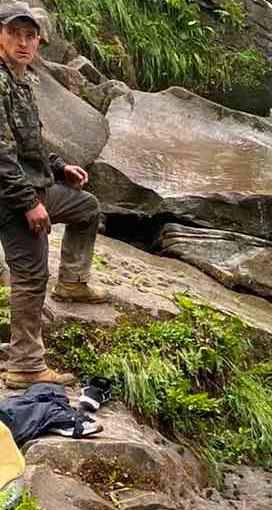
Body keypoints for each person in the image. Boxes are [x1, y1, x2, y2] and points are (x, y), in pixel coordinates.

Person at [0, 2, 109, 389]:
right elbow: (1, 156)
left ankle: (74, 281)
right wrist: (29, 203)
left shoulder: (24, 80)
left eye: (31, 36)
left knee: (87, 208)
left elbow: (30, 142)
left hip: (33, 184)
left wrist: (60, 166)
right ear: (0, 36)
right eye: (15, 34)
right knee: (30, 275)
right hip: (9, 198)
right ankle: (25, 364)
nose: (24, 43)